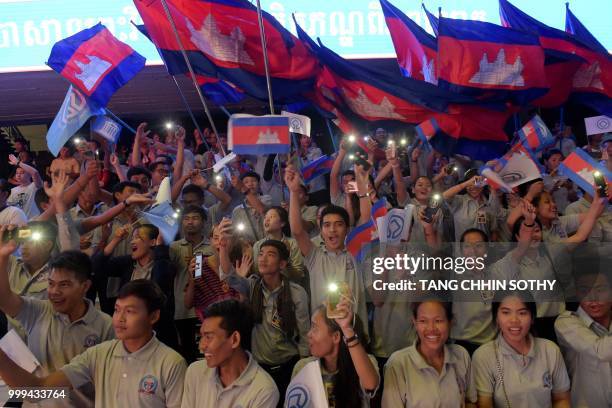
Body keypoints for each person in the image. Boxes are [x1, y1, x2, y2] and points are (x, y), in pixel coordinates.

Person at [0, 280, 187, 408]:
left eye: (129, 311)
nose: (120, 319)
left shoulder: (170, 362)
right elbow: (38, 392)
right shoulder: (98, 354)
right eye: (117, 310)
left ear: (153, 316)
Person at [0, 245, 114, 407]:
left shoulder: (106, 326)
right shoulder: (38, 310)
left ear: (85, 286)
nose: (54, 291)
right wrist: (3, 256)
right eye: (51, 283)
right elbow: (4, 299)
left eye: (64, 285)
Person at [286, 162, 370, 337]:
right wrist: (293, 192)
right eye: (327, 225)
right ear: (321, 230)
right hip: (324, 337)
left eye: (339, 225)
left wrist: (362, 188)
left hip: (355, 332)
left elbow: (367, 219)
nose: (332, 230)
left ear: (347, 229)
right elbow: (297, 230)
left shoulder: (357, 252)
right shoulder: (315, 255)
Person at [472, 291, 571, 408]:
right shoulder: (483, 356)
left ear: (532, 318)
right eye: (506, 312)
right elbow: (485, 404)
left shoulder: (550, 350)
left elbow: (561, 399)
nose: (514, 320)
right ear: (497, 318)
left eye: (522, 313)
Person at [181, 299, 279, 408]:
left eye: (208, 337)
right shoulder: (195, 372)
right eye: (201, 337)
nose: (202, 346)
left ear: (235, 339)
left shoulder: (263, 390)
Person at [93, 223, 178, 349]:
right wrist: (116, 239)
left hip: (158, 334)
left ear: (153, 242)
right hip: (129, 333)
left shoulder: (164, 264)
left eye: (138, 237)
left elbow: (160, 281)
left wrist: (160, 245)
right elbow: (97, 267)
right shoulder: (128, 263)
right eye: (132, 238)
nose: (132, 241)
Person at [382, 299, 477, 408]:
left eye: (438, 321)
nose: (431, 328)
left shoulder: (461, 355)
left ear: (450, 322)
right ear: (415, 322)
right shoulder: (398, 363)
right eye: (423, 321)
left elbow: (470, 402)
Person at [249, 239, 310, 403]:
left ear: (282, 264)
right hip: (259, 367)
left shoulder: (297, 293)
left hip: (288, 365)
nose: (263, 259)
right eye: (260, 254)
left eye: (270, 255)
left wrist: (303, 369)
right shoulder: (251, 287)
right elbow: (229, 279)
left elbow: (305, 334)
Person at [291, 300, 379, 407]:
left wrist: (346, 328)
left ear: (336, 337)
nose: (309, 334)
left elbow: (371, 384)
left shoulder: (364, 363)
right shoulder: (303, 367)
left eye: (315, 327)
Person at [554, 271, 612, 407]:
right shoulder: (566, 321)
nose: (592, 298)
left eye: (600, 289)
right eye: (584, 290)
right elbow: (600, 351)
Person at [252, 207, 304, 281]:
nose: (266, 220)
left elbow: (298, 275)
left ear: (282, 223)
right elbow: (257, 271)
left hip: (288, 288)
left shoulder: (293, 243)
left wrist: (286, 260)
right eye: (265, 217)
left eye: (271, 217)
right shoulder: (258, 245)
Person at [7, 153, 43, 219]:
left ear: (29, 174)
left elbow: (35, 173)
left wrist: (18, 162)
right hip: (20, 222)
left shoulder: (34, 186)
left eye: (22, 173)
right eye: (17, 173)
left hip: (34, 221)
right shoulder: (14, 190)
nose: (18, 175)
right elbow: (10, 206)